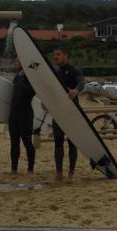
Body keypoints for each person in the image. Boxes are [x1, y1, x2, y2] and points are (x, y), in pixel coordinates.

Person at [50, 46, 86, 182]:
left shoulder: (74, 70)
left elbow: (82, 82)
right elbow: (51, 90)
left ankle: (71, 174)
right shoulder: (55, 72)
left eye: (58, 54)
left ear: (66, 55)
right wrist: (47, 102)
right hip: (58, 112)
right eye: (54, 55)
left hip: (72, 112)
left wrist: (76, 90)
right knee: (58, 143)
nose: (55, 57)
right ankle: (59, 173)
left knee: (72, 143)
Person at [7, 59, 37, 175]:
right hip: (14, 114)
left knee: (27, 142)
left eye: (17, 62)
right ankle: (14, 169)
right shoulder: (17, 76)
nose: (15, 64)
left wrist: (21, 77)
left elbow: (28, 92)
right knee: (14, 143)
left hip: (26, 114)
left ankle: (30, 169)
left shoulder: (30, 77)